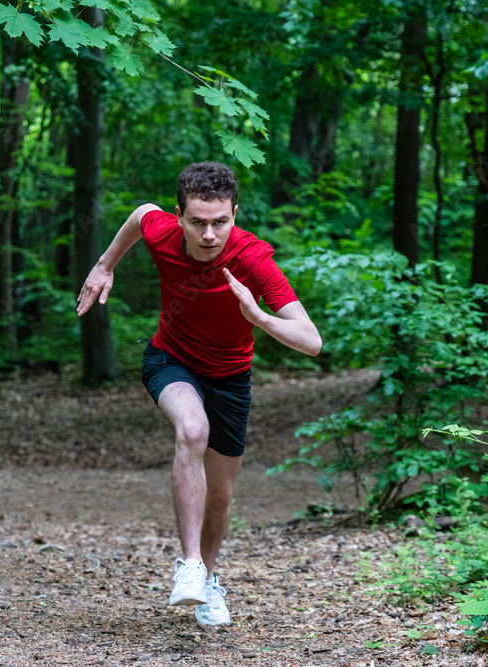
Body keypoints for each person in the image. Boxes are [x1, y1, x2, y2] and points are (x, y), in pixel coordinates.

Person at [75, 161, 321, 626]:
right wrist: (104, 265)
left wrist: (260, 317)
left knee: (221, 496)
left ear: (234, 213)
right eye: (198, 222)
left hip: (231, 378)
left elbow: (311, 340)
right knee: (192, 430)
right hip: (171, 360)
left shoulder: (252, 260)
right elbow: (140, 213)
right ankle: (188, 566)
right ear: (180, 216)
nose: (209, 234)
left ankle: (208, 580)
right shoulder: (161, 231)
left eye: (220, 222)